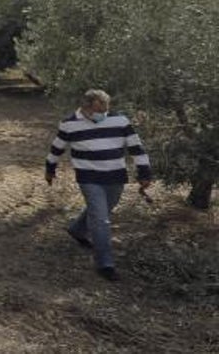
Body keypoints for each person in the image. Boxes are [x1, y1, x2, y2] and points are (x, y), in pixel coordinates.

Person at [45, 89, 152, 281]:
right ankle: (105, 264)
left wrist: (144, 172)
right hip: (89, 177)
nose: (103, 113)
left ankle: (77, 229)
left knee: (103, 209)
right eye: (98, 109)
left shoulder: (120, 121)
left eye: (105, 109)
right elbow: (57, 148)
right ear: (85, 108)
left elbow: (136, 148)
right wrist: (50, 168)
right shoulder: (69, 124)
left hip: (116, 177)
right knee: (101, 219)